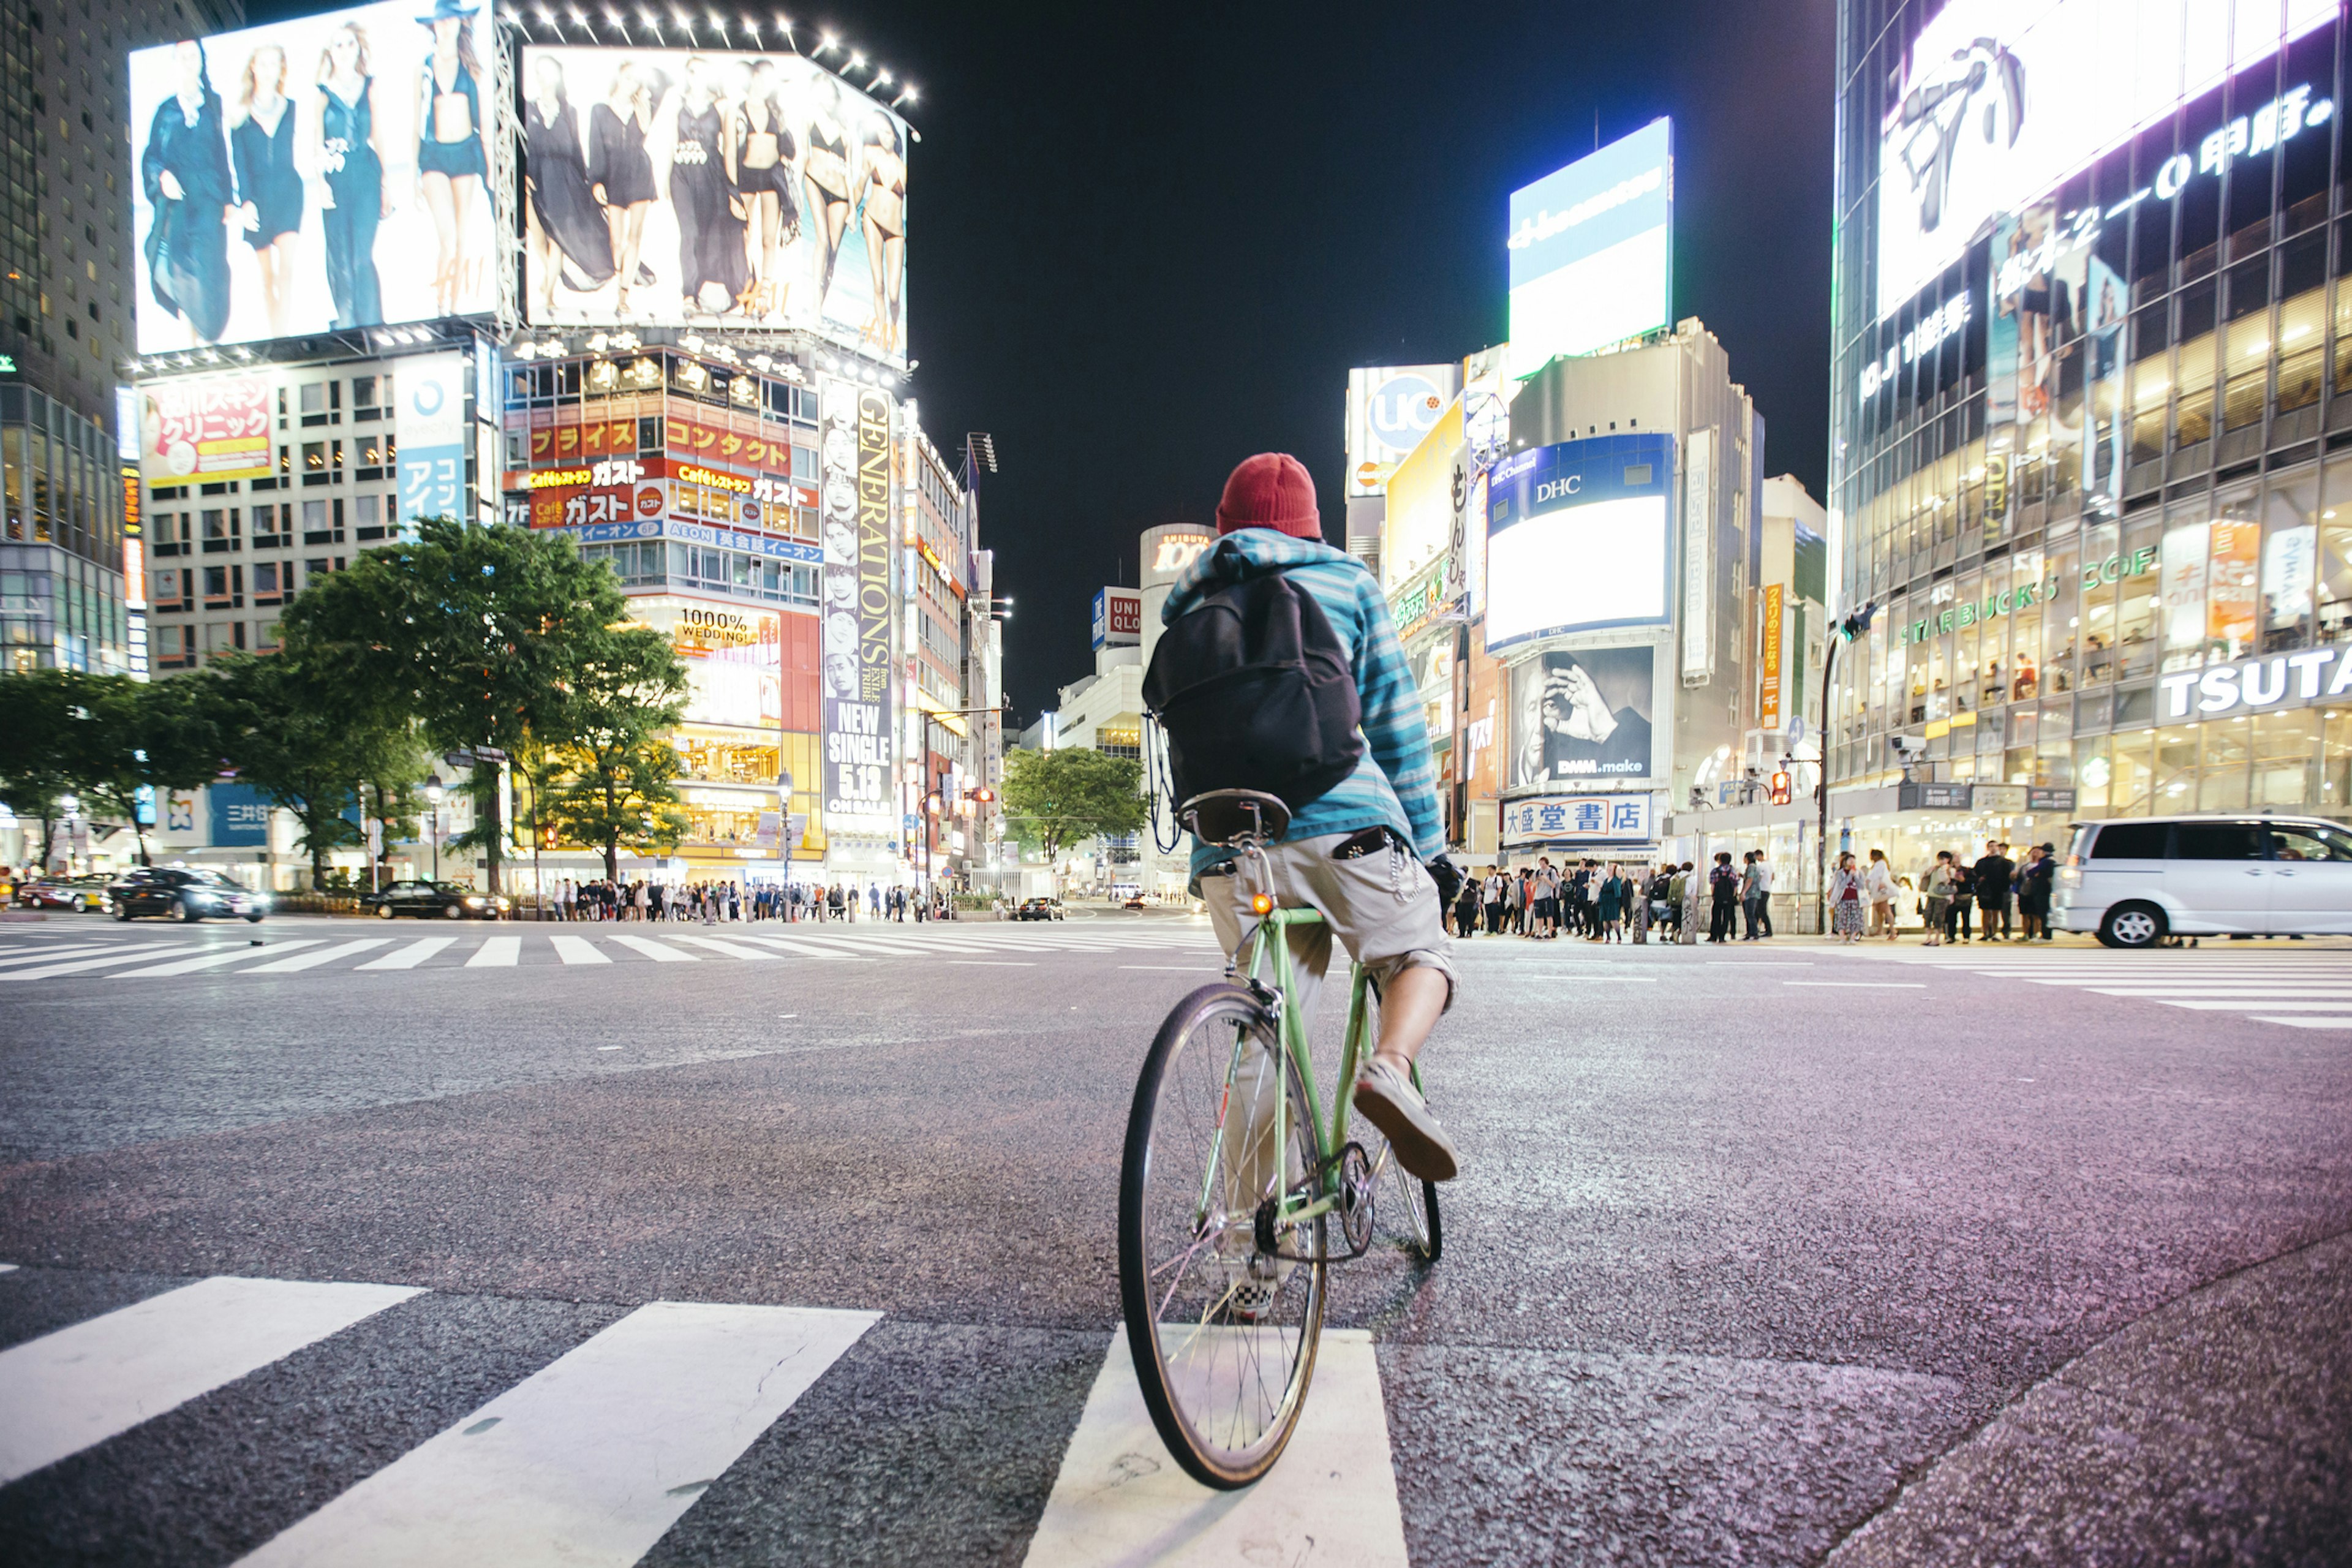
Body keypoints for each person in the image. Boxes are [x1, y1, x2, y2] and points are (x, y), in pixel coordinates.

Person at [1166, 451, 1463, 1185]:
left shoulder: (1188, 604)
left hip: (1229, 848)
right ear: (1312, 528)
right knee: (1420, 954)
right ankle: (1389, 1068)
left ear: (1224, 528)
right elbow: (1398, 730)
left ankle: (1246, 1253)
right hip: (1346, 828)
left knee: (1266, 1034)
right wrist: (1431, 854)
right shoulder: (1350, 583)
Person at [142, 39, 234, 347]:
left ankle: (210, 342)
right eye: (182, 56)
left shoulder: (213, 106)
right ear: (175, 62)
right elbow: (152, 155)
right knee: (177, 266)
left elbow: (222, 153)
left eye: (193, 55)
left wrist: (229, 200)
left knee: (209, 269)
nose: (187, 61)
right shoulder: (165, 111)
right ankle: (189, 347)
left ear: (201, 61)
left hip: (208, 201)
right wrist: (162, 175)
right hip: (179, 203)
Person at [522, 54, 616, 317]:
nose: (542, 77)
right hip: (536, 177)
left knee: (557, 238)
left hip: (564, 180)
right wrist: (524, 175)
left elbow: (576, 149)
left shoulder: (570, 111)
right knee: (539, 236)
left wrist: (589, 183)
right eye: (538, 71)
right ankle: (549, 280)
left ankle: (549, 291)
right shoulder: (527, 108)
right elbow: (521, 146)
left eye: (548, 71)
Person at [658, 55, 749, 316]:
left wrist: (733, 192)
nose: (697, 77)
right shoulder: (677, 101)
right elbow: (670, 139)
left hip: (712, 174)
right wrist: (665, 175)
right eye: (693, 72)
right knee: (689, 232)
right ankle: (688, 295)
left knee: (709, 235)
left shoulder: (723, 106)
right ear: (687, 74)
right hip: (682, 173)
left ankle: (707, 292)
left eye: (703, 72)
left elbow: (730, 150)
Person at [413, 0, 486, 319]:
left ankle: (453, 310)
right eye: (441, 20)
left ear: (462, 23)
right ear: (433, 25)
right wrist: (414, 174)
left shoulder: (472, 67)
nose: (446, 25)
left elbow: (483, 122)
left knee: (461, 238)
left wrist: (490, 168)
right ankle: (439, 305)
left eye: (452, 20)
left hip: (466, 154)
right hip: (434, 155)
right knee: (448, 236)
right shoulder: (423, 68)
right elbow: (413, 123)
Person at [314, 20, 386, 329]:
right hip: (335, 177)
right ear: (330, 52)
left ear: (358, 49)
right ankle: (346, 322)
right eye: (338, 45)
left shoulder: (371, 85)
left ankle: (372, 322)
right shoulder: (321, 93)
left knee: (362, 256)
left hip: (366, 173)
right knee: (340, 256)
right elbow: (314, 142)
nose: (344, 51)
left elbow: (379, 135)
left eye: (350, 44)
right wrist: (320, 184)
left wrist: (386, 185)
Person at [230, 42, 302, 339]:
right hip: (257, 198)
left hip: (289, 192)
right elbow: (239, 165)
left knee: (286, 274)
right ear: (253, 68)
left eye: (274, 64)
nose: (269, 70)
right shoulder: (239, 116)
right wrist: (245, 202)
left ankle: (281, 336)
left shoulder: (292, 106)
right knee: (267, 277)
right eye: (263, 63)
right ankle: (275, 338)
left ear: (281, 69)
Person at [586, 59, 658, 315]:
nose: (631, 84)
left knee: (635, 236)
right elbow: (595, 146)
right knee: (616, 240)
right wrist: (596, 180)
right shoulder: (600, 110)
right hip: (613, 174)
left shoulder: (643, 107)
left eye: (636, 80)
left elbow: (662, 84)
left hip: (639, 172)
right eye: (628, 77)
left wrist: (645, 97)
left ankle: (623, 293)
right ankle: (620, 280)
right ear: (618, 76)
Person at [731, 59, 799, 320]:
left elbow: (789, 148)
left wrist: (783, 157)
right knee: (743, 236)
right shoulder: (739, 109)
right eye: (760, 77)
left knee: (769, 240)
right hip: (747, 175)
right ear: (752, 77)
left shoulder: (776, 112)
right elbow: (732, 148)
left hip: (771, 178)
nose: (762, 83)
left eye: (768, 79)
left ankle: (764, 294)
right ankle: (748, 286)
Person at [858, 110, 907, 355]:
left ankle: (894, 328)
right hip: (872, 218)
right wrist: (850, 211)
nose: (885, 137)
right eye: (881, 132)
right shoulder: (871, 154)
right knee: (878, 283)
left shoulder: (905, 168)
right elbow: (860, 184)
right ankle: (883, 332)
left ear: (895, 137)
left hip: (897, 230)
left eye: (889, 132)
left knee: (895, 293)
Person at [1975, 838, 2015, 940]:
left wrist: (2004, 888)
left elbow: (2007, 877)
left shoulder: (2004, 862)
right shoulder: (1981, 862)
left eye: (1995, 846)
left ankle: (1994, 933)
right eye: (1991, 846)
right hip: (1985, 890)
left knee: (1996, 912)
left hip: (1998, 890)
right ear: (1988, 848)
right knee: (1985, 912)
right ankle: (1985, 932)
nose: (1993, 848)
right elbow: (1975, 874)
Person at [2019, 842, 2057, 940]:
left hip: (2042, 891)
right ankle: (2044, 935)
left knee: (2043, 914)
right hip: (2046, 890)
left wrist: (2037, 874)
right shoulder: (2052, 861)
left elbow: (2031, 872)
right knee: (2042, 914)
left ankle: (2046, 935)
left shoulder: (2046, 861)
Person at [1828, 851, 1866, 943]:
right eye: (1850, 860)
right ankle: (1842, 938)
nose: (1852, 862)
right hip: (1843, 899)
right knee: (1842, 918)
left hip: (1856, 899)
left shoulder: (1859, 873)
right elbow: (1842, 885)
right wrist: (1850, 875)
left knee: (1856, 918)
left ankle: (1853, 937)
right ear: (1845, 862)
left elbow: (1862, 886)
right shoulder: (1840, 873)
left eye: (1854, 860)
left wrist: (1855, 876)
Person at [1922, 851, 1955, 946]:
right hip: (1931, 894)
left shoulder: (1950, 870)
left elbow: (1944, 880)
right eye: (1939, 859)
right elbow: (1924, 876)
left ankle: (1937, 939)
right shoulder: (1934, 869)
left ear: (1948, 860)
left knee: (1938, 917)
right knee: (1928, 916)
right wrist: (1928, 871)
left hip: (1942, 897)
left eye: (1943, 859)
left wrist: (1944, 869)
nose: (1940, 861)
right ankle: (1928, 938)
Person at [1864, 848, 1898, 938]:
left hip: (1881, 889)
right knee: (1879, 910)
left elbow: (1877, 875)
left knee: (1885, 909)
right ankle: (1881, 929)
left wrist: (1868, 881)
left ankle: (1892, 931)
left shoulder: (1881, 864)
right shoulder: (1881, 864)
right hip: (1879, 889)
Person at [1707, 851, 1739, 943]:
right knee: (1726, 917)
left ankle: (1714, 936)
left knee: (1716, 916)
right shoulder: (1733, 872)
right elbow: (1735, 886)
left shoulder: (1715, 871)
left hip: (1718, 898)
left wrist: (1714, 895)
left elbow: (1713, 885)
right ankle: (1722, 936)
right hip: (1728, 898)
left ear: (1720, 860)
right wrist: (1732, 896)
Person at [1945, 850, 1975, 943]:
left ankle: (1966, 936)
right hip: (1952, 897)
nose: (1955, 858)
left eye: (1957, 856)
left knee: (1966, 917)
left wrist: (1964, 880)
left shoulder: (1967, 870)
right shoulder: (1947, 870)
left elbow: (1974, 880)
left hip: (1964, 896)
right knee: (1951, 918)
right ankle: (1951, 936)